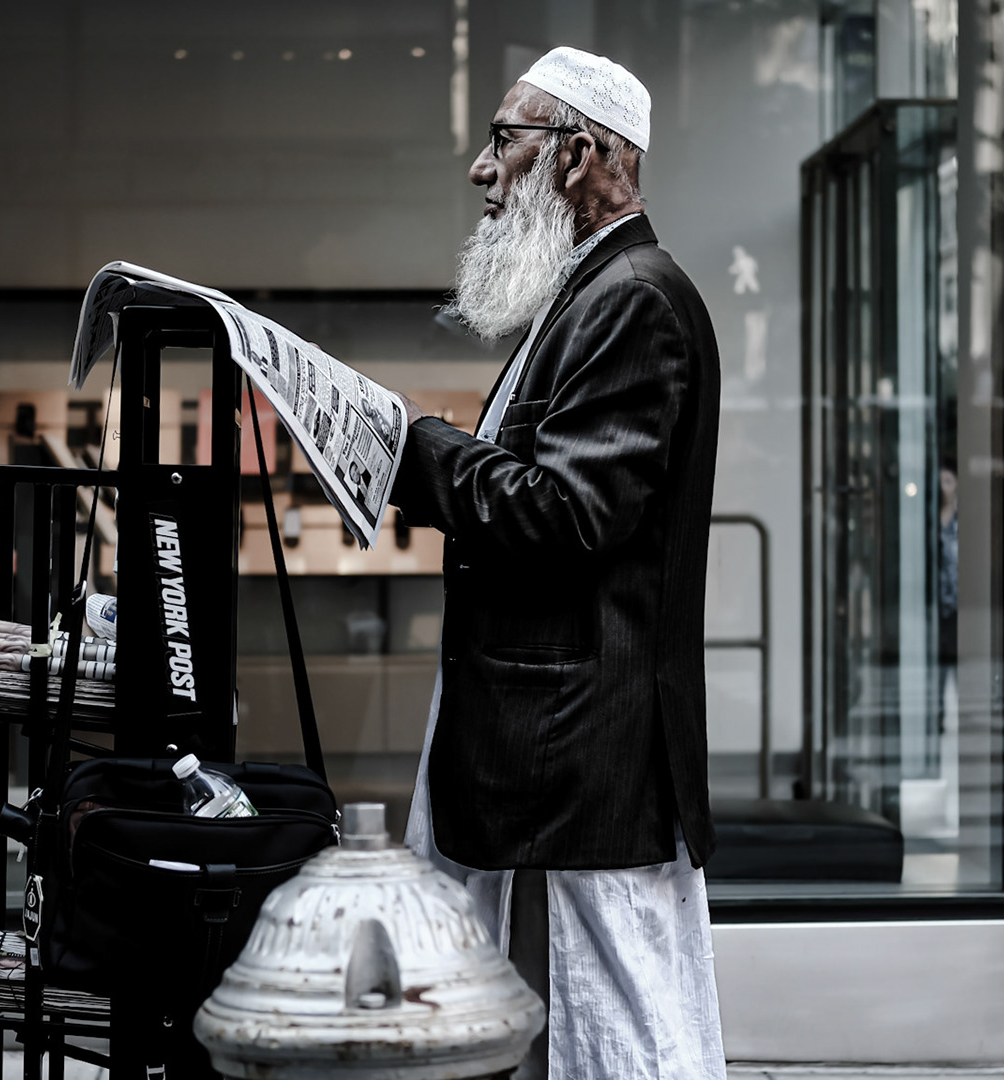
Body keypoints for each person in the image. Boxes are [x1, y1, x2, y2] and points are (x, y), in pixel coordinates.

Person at [389, 46, 725, 1080]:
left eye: (506, 139)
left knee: (616, 1030)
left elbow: (567, 515)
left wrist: (410, 447)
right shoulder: (592, 296)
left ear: (579, 155)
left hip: (585, 751)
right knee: (555, 1018)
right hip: (557, 742)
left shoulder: (632, 300)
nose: (482, 168)